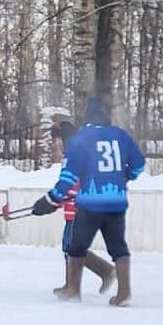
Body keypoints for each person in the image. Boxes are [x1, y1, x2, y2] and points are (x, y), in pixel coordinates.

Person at [31, 98, 145, 305]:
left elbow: (68, 177)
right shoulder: (121, 135)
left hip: (90, 203)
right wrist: (125, 176)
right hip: (117, 202)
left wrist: (51, 199)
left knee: (75, 246)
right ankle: (124, 293)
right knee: (118, 247)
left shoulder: (81, 139)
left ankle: (72, 290)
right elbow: (139, 164)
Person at [37, 119, 114, 297]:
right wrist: (57, 201)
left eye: (56, 140)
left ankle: (102, 273)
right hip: (77, 209)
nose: (56, 145)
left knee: (72, 247)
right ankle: (72, 286)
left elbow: (71, 184)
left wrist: (53, 200)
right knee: (69, 246)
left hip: (81, 210)